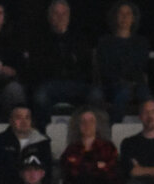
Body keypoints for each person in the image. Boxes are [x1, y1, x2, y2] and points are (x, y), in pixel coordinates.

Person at [29, 0, 102, 130]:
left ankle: (93, 133)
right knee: (40, 96)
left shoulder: (79, 38)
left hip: (76, 84)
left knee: (95, 94)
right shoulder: (40, 39)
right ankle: (43, 135)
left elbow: (85, 66)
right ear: (49, 17)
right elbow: (39, 67)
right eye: (56, 13)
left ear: (69, 16)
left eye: (64, 14)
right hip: (50, 83)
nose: (60, 17)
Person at [60, 107, 122, 184]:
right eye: (83, 121)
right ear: (78, 125)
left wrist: (84, 168)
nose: (87, 125)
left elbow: (110, 172)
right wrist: (97, 167)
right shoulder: (71, 149)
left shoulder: (107, 147)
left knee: (89, 181)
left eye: (91, 121)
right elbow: (68, 172)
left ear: (97, 125)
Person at [95, 1, 150, 123]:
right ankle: (113, 128)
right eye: (121, 13)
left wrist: (132, 81)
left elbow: (140, 67)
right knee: (123, 93)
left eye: (128, 14)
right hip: (112, 85)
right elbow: (106, 69)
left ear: (133, 18)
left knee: (146, 96)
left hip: (136, 85)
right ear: (114, 17)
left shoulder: (141, 42)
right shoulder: (105, 42)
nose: (124, 17)